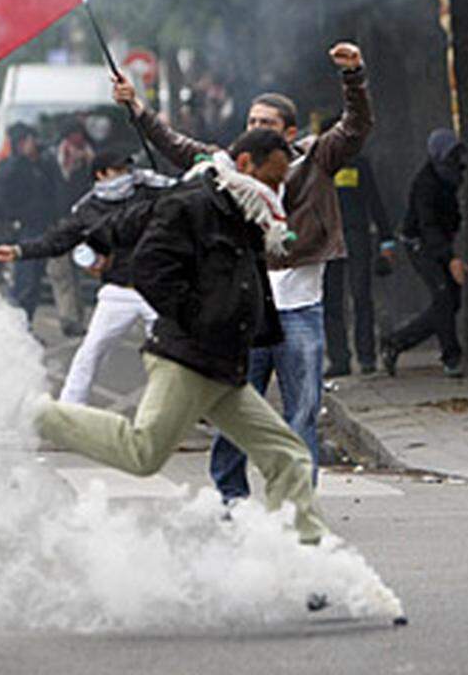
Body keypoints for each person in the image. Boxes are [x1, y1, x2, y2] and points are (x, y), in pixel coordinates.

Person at [31, 129, 331, 551]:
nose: (276, 189)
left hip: (224, 364)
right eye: (272, 179)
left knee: (288, 456)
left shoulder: (243, 209)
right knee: (143, 452)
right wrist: (200, 319)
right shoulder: (195, 202)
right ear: (244, 164)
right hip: (188, 358)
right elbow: (150, 268)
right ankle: (39, 415)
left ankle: (307, 558)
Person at [113, 41, 373, 505]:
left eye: (267, 125)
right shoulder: (231, 168)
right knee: (231, 407)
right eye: (252, 123)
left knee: (302, 413)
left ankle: (297, 502)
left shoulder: (316, 158)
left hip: (300, 311)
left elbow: (355, 127)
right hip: (244, 312)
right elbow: (176, 145)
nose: (255, 131)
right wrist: (137, 107)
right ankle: (231, 499)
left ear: (289, 132)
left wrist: (353, 77)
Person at [0, 151, 176, 404]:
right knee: (90, 352)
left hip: (157, 289)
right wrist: (19, 251)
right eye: (119, 170)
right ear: (101, 174)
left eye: (129, 169)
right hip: (118, 290)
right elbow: (57, 240)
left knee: (174, 358)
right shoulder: (87, 209)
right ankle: (69, 409)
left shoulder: (150, 192)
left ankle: (173, 416)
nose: (127, 175)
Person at [381, 128, 468, 378]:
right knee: (443, 297)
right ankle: (451, 357)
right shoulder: (426, 184)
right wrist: (449, 258)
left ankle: (396, 342)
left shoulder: (449, 177)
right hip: (420, 244)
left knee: (451, 302)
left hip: (439, 241)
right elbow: (428, 226)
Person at [323, 153, 395, 378]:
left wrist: (386, 238)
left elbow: (373, 199)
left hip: (356, 235)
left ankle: (366, 356)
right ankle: (339, 359)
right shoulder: (320, 165)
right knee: (332, 300)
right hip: (327, 239)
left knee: (361, 295)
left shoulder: (357, 163)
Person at [0, 124, 61, 326]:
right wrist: (15, 220)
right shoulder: (12, 168)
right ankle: (17, 327)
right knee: (25, 280)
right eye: (30, 140)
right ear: (21, 143)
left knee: (34, 281)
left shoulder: (40, 165)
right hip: (24, 229)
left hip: (41, 227)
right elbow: (0, 202)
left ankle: (25, 323)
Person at [46, 121, 94, 337]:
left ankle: (76, 316)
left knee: (76, 273)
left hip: (81, 223)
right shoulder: (54, 159)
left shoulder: (89, 160)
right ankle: (69, 318)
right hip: (59, 222)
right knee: (61, 272)